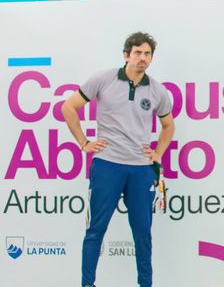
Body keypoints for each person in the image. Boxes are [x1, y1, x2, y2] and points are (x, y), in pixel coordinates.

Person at [61, 32, 175, 287]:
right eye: (137, 53)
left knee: (143, 234)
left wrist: (157, 153)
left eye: (147, 54)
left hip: (141, 170)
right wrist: (83, 142)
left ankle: (145, 284)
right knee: (95, 231)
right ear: (126, 55)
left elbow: (168, 125)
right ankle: (87, 284)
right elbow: (68, 108)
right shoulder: (104, 79)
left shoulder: (157, 90)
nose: (142, 58)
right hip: (107, 166)